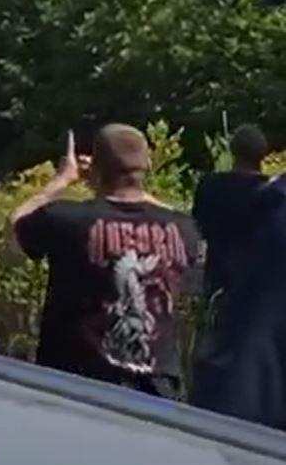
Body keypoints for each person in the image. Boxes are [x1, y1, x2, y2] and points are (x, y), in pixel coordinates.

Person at [10, 125, 202, 398]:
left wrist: (62, 180)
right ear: (146, 167)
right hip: (157, 388)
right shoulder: (183, 229)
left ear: (96, 170)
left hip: (76, 382)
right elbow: (173, 219)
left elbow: (16, 227)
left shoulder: (66, 220)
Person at [195, 125, 271, 316]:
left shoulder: (210, 187)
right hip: (262, 286)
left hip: (219, 279)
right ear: (263, 153)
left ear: (233, 150)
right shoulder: (273, 194)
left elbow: (199, 226)